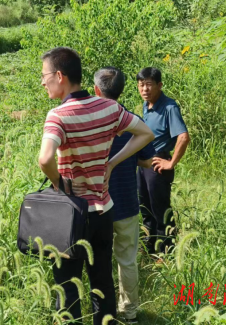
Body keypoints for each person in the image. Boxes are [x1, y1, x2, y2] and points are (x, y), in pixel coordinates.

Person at [38, 48, 155, 325]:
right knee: (102, 278)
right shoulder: (111, 108)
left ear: (59, 76)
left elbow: (44, 159)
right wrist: (112, 163)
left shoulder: (57, 115)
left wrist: (59, 185)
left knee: (67, 284)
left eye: (44, 76)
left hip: (71, 215)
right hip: (104, 211)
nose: (43, 82)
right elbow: (146, 134)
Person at [94, 67, 155, 325]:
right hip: (128, 201)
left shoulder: (90, 121)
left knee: (99, 260)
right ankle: (130, 314)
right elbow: (146, 160)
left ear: (97, 90)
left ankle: (104, 312)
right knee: (127, 260)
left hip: (97, 204)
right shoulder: (131, 121)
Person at [136, 68, 190, 255]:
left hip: (159, 162)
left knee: (160, 209)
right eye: (141, 85)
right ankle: (148, 247)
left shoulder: (169, 107)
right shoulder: (147, 105)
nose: (144, 89)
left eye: (149, 84)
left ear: (159, 85)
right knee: (145, 207)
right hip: (144, 163)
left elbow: (183, 137)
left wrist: (171, 163)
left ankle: (166, 252)